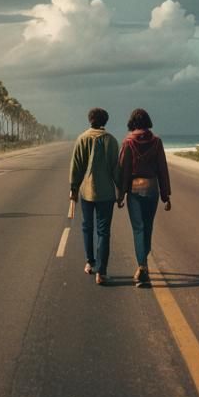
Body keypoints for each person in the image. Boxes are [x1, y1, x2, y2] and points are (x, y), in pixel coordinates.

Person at [117, 108, 171, 287]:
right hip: (153, 189)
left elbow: (123, 171)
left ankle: (142, 266)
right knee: (148, 227)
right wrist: (166, 195)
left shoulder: (128, 143)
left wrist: (121, 194)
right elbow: (162, 169)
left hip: (135, 190)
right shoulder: (157, 142)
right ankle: (144, 263)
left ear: (132, 123)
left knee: (138, 229)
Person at [69, 107, 121, 285]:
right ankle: (102, 271)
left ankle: (90, 263)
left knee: (87, 227)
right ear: (105, 121)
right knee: (104, 231)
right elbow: (116, 169)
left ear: (89, 120)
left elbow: (76, 166)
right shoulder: (111, 141)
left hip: (86, 191)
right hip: (106, 193)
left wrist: (73, 188)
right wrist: (121, 191)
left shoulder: (82, 138)